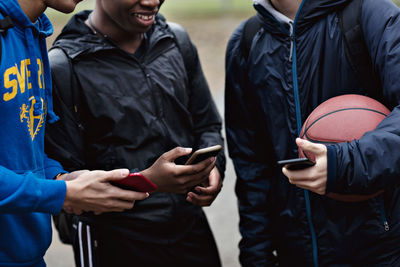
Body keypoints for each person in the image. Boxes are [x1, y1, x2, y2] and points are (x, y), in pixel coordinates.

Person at [44, 0, 226, 266]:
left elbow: (207, 125)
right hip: (113, 242)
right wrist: (149, 182)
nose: (151, 1)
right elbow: (67, 190)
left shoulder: (175, 40)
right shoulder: (62, 67)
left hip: (191, 231)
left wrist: (212, 167)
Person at [225, 0, 400, 266]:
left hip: (379, 250)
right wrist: (256, 256)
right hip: (295, 254)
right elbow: (251, 169)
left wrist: (345, 163)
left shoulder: (371, 14)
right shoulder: (246, 41)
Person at [0, 0, 156, 266]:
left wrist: (62, 178)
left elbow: (22, 145)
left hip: (28, 255)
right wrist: (60, 193)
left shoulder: (29, 29)